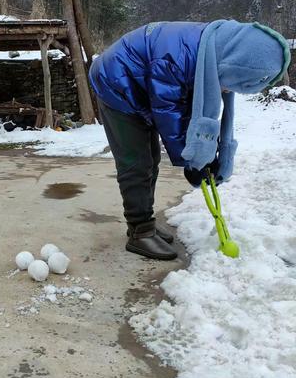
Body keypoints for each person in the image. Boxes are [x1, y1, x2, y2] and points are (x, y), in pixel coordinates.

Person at [89, 20, 290, 261]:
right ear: (235, 66)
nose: (225, 90)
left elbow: (192, 110)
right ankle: (140, 232)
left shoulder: (215, 49)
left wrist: (206, 153)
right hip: (116, 84)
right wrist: (192, 160)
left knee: (151, 160)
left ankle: (142, 224)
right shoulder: (176, 58)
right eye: (228, 84)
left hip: (140, 85)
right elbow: (169, 111)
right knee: (137, 162)